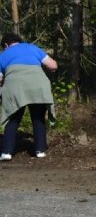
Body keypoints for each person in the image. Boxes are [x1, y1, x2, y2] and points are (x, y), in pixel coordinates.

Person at [0, 33, 57, 161]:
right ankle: (40, 150)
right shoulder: (33, 48)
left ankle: (7, 152)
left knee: (13, 118)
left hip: (15, 87)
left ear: (5, 45)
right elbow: (53, 66)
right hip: (39, 85)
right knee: (38, 118)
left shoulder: (2, 55)